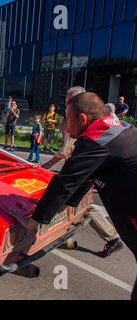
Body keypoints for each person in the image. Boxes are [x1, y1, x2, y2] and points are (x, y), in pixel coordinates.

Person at [18, 92, 137, 300]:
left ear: (82, 119)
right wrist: (63, 208)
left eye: (67, 118)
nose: (64, 124)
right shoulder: (118, 129)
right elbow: (89, 177)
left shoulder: (94, 139)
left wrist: (34, 221)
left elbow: (64, 183)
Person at [41, 87, 124, 258]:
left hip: (78, 172)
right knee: (80, 203)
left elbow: (65, 152)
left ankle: (110, 238)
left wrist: (46, 165)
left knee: (79, 205)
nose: (66, 107)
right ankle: (111, 239)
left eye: (68, 103)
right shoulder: (107, 123)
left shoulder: (85, 129)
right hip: (83, 172)